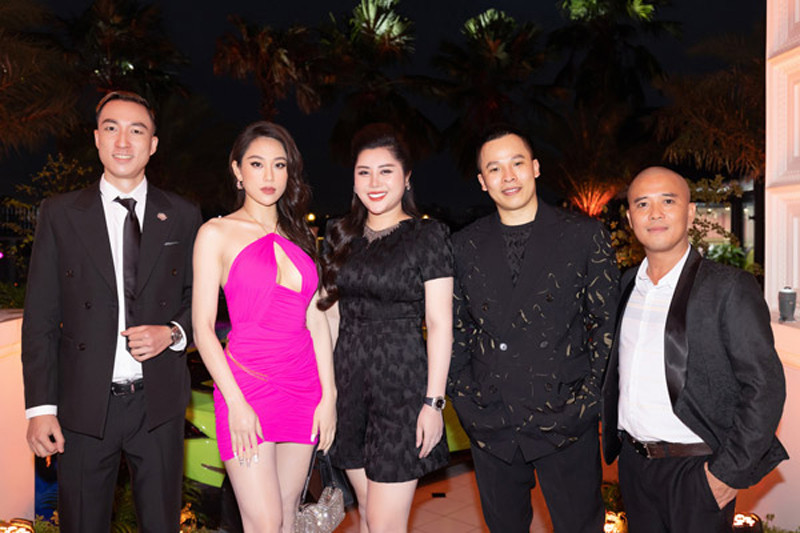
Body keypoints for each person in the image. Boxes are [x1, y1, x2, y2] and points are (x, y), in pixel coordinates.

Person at [22, 90, 203, 532]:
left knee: (161, 524)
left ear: (153, 144)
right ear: (97, 139)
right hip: (84, 404)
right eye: (111, 128)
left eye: (136, 130)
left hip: (157, 404)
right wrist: (40, 408)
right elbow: (40, 318)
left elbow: (200, 301)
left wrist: (172, 333)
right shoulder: (60, 214)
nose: (123, 141)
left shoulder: (183, 214)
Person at [448, 125, 619, 532]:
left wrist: (584, 406)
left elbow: (607, 326)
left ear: (536, 168)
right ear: (482, 181)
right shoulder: (463, 245)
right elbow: (455, 330)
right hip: (493, 421)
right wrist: (468, 402)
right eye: (494, 168)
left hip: (564, 419)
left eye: (517, 163)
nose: (508, 176)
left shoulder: (584, 235)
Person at [601, 166, 788, 532]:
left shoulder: (728, 287)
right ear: (630, 219)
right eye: (642, 204)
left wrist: (725, 475)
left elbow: (765, 387)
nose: (655, 213)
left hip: (696, 471)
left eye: (668, 201)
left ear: (690, 213)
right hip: (635, 467)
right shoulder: (627, 285)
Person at [192, 121, 336, 532]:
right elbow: (203, 329)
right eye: (257, 164)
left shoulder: (301, 234)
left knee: (288, 515)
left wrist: (329, 396)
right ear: (237, 170)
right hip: (247, 387)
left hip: (303, 387)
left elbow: (317, 319)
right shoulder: (215, 233)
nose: (269, 175)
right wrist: (235, 402)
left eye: (279, 165)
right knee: (265, 521)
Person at [318, 123, 453, 532]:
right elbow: (328, 315)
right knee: (365, 511)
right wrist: (327, 393)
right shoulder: (338, 234)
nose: (374, 183)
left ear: (407, 177)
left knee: (383, 521)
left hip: (402, 389)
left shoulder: (428, 235)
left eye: (386, 171)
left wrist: (433, 403)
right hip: (348, 386)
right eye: (364, 172)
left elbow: (439, 323)